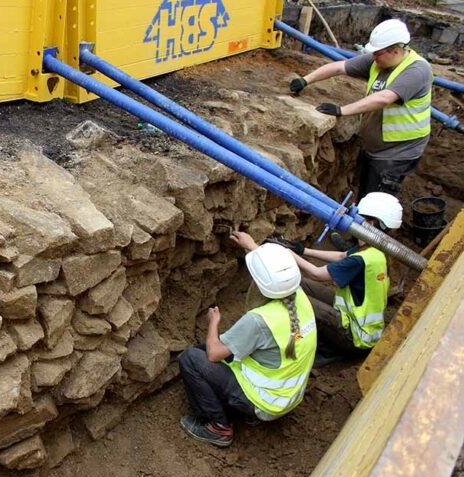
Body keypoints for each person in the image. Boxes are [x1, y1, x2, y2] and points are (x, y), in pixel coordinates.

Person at [178, 240, 317, 447]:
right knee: (210, 349)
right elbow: (275, 274)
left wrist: (213, 323)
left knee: (191, 358)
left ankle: (218, 427)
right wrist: (252, 246)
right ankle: (246, 413)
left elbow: (214, 354)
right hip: (287, 396)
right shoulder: (298, 297)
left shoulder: (259, 320)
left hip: (264, 402)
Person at [289, 19, 433, 200]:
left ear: (395, 50)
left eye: (378, 54)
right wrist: (305, 80)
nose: (373, 57)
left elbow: (384, 97)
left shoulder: (417, 71)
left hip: (397, 153)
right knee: (366, 192)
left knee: (376, 205)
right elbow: (339, 67)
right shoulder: (379, 60)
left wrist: (341, 110)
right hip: (376, 148)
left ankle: (371, 226)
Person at [278, 192, 402, 358]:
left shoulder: (362, 259)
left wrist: (286, 253)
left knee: (293, 297)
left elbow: (317, 273)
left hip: (355, 338)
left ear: (371, 223)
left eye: (358, 219)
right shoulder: (375, 249)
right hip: (355, 321)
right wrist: (303, 251)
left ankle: (321, 347)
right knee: (300, 284)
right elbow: (341, 256)